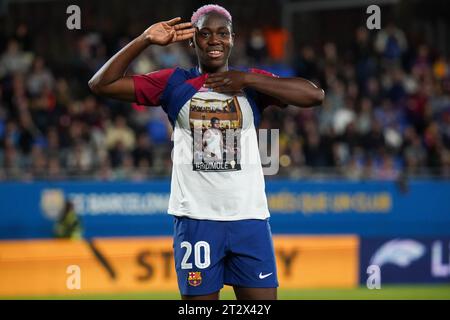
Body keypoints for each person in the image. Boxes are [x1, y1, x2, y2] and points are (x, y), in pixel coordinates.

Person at [88, 4, 324, 300]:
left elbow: (314, 95)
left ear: (232, 39)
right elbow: (101, 84)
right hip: (196, 220)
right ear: (192, 40)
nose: (214, 40)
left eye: (222, 33)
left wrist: (248, 80)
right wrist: (145, 39)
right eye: (205, 34)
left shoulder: (249, 83)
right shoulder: (175, 83)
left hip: (248, 218)